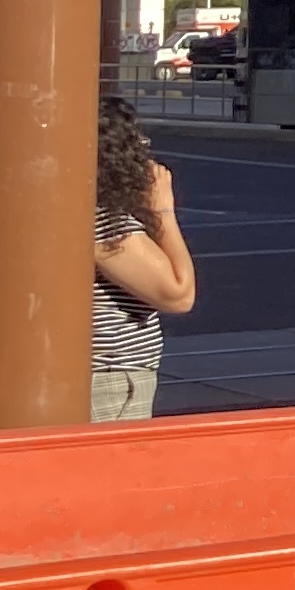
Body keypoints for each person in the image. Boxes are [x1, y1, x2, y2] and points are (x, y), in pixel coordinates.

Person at [90, 98, 194, 421]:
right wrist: (162, 211)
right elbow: (178, 293)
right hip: (112, 377)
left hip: (109, 374)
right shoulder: (101, 221)